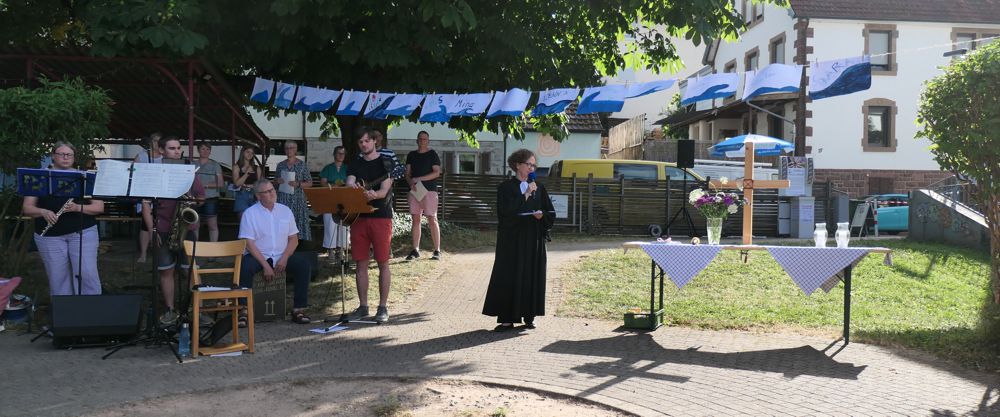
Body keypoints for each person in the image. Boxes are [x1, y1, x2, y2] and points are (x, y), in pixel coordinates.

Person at [482, 149, 555, 331]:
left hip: (533, 239)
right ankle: (507, 318)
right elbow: (505, 213)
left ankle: (529, 316)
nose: (532, 168)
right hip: (512, 241)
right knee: (510, 276)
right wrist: (526, 194)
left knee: (531, 276)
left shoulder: (539, 187)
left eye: (534, 165)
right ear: (517, 165)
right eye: (528, 164)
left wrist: (542, 215)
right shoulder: (506, 188)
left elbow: (550, 212)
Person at [22, 142, 105, 296]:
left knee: (87, 274)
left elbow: (99, 207)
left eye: (69, 155)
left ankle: (90, 308)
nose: (66, 157)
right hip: (49, 235)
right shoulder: (39, 177)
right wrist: (43, 211)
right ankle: (64, 309)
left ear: (74, 157)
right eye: (62, 154)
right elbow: (27, 208)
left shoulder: (84, 177)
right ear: (53, 156)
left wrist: (77, 207)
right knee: (58, 278)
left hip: (83, 232)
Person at [142, 135, 205, 325]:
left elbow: (201, 197)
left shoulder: (189, 171)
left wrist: (193, 202)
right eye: (172, 148)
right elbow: (146, 205)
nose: (177, 152)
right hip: (163, 228)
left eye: (178, 148)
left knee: (191, 271)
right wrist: (152, 230)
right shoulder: (155, 174)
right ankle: (170, 310)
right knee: (166, 271)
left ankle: (196, 310)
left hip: (187, 227)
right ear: (161, 150)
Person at [239, 179, 314, 325]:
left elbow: (294, 239)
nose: (272, 193)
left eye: (272, 189)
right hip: (259, 255)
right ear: (258, 196)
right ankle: (243, 311)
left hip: (281, 255)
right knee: (245, 266)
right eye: (267, 192)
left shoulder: (285, 211)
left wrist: (285, 258)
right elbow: (249, 243)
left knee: (303, 265)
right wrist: (265, 266)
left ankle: (298, 309)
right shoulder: (250, 214)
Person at [346, 127, 394, 324]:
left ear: (375, 141)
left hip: (381, 217)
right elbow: (349, 182)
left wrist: (375, 194)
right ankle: (363, 306)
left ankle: (382, 307)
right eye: (361, 142)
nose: (364, 144)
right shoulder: (355, 163)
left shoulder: (386, 162)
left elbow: (384, 190)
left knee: (383, 262)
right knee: (360, 263)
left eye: (367, 141)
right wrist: (354, 188)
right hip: (358, 217)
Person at [404, 131, 442, 261]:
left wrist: (418, 179)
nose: (422, 141)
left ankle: (437, 250)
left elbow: (436, 172)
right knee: (416, 219)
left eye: (425, 139)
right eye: (420, 139)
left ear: (428, 141)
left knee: (432, 219)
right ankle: (415, 250)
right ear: (417, 140)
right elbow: (407, 173)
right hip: (415, 190)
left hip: (429, 190)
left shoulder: (432, 154)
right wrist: (411, 182)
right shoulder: (411, 155)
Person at [274, 140, 312, 242]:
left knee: (297, 223)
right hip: (283, 200)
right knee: (283, 223)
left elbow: (309, 183)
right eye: (287, 148)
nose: (289, 150)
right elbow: (275, 183)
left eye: (291, 148)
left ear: (295, 150)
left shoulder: (302, 165)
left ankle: (298, 244)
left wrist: (298, 184)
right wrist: (277, 181)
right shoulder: (280, 165)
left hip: (298, 200)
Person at [135, 132, 162, 263]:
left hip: (161, 193)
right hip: (145, 192)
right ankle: (144, 254)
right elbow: (133, 173)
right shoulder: (141, 156)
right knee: (145, 225)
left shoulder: (164, 157)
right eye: (155, 141)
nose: (157, 143)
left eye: (159, 141)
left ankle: (161, 253)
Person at [319, 145, 350, 260]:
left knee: (343, 222)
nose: (341, 155)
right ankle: (330, 249)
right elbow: (323, 182)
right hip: (330, 197)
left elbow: (351, 183)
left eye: (343, 153)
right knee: (329, 222)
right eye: (339, 153)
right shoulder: (328, 168)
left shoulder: (348, 168)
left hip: (344, 198)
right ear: (334, 154)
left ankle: (341, 249)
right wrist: (332, 186)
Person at [194, 142, 224, 242]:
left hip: (211, 198)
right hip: (195, 198)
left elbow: (220, 183)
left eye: (208, 149)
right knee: (194, 225)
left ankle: (213, 249)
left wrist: (204, 185)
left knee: (212, 225)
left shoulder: (215, 165)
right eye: (203, 149)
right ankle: (194, 248)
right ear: (198, 150)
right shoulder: (192, 164)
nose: (205, 151)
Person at [232, 146, 261, 223]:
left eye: (252, 153)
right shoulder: (236, 167)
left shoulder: (257, 168)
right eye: (248, 152)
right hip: (242, 195)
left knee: (255, 222)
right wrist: (247, 173)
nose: (250, 154)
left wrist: (251, 186)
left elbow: (260, 184)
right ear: (243, 152)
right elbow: (237, 183)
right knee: (243, 222)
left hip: (254, 195)